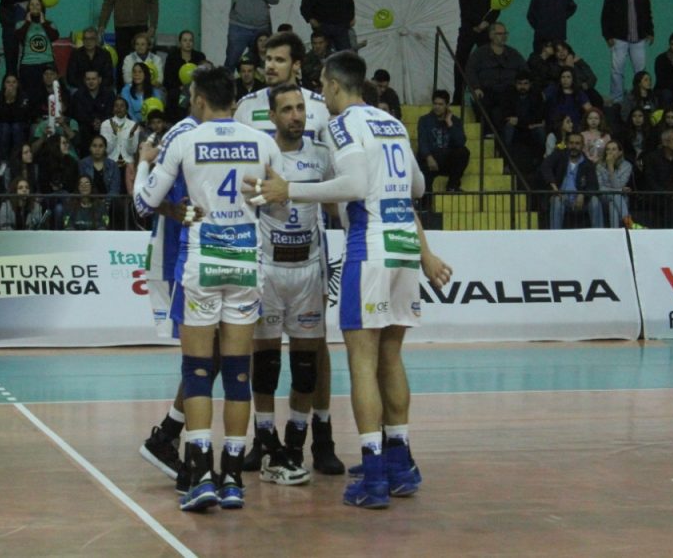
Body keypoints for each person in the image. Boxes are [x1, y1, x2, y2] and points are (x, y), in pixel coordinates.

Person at [244, 50, 453, 510]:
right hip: (402, 245)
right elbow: (416, 187)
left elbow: (355, 186)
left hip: (371, 247)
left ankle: (375, 474)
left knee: (363, 361)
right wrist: (426, 251)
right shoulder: (392, 122)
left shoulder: (342, 125)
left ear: (335, 87)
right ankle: (401, 464)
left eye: (323, 86)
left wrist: (290, 189)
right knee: (391, 359)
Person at [134, 65, 282, 512]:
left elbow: (145, 202)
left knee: (198, 371)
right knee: (238, 374)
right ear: (234, 100)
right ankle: (233, 477)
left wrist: (143, 160)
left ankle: (199, 474)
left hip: (202, 264)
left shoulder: (184, 139)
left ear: (199, 99)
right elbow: (280, 200)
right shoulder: (262, 140)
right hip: (245, 265)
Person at [247, 82, 339, 486]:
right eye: (286, 109)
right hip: (267, 270)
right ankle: (266, 444)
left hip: (308, 270)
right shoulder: (259, 155)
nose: (296, 116)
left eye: (300, 108)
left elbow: (339, 200)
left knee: (306, 368)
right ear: (272, 115)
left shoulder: (321, 155)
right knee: (265, 365)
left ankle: (296, 445)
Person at [135, 90, 208, 491]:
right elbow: (144, 204)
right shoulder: (181, 134)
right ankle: (175, 441)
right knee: (202, 355)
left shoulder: (221, 134)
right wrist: (143, 163)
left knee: (212, 355)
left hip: (210, 258)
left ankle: (170, 434)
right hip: (180, 257)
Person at [234, 31, 331, 143]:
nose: (270, 66)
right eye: (268, 59)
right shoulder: (245, 106)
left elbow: (331, 156)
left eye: (279, 60)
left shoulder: (320, 106)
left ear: (296, 65)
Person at [601, 0, 654, 109]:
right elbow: (606, 15)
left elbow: (647, 12)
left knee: (641, 72)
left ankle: (641, 99)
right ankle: (617, 101)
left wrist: (650, 31)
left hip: (639, 38)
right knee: (617, 72)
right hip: (619, 38)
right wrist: (608, 36)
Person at [455, 0, 500, 104]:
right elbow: (464, 4)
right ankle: (457, 97)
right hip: (468, 28)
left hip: (486, 30)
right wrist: (476, 23)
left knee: (486, 62)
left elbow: (497, 5)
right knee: (460, 61)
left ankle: (485, 96)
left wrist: (486, 23)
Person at [465, 22, 527, 131]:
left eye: (505, 33)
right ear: (491, 35)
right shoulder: (480, 53)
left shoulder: (513, 54)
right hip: (487, 91)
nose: (503, 36)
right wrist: (476, 87)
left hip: (508, 92)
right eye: (500, 33)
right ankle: (488, 135)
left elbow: (525, 72)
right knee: (484, 105)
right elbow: (470, 70)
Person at [541, 132, 603, 228]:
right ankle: (554, 237)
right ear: (567, 144)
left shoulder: (588, 164)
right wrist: (553, 186)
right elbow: (545, 166)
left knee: (595, 201)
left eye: (577, 143)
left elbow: (593, 185)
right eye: (571, 143)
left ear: (582, 145)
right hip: (562, 198)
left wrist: (583, 194)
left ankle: (600, 236)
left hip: (581, 202)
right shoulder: (559, 156)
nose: (574, 146)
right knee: (556, 200)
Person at [417, 90, 470, 193]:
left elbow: (460, 142)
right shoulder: (424, 120)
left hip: (446, 160)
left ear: (447, 105)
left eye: (440, 104)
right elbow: (422, 141)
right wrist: (429, 157)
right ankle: (425, 206)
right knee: (424, 174)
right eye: (435, 104)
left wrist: (450, 124)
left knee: (463, 152)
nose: (437, 107)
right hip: (429, 160)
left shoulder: (455, 121)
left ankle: (452, 186)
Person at [16, 0, 59, 108]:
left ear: (42, 7)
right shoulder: (21, 24)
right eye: (32, 4)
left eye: (37, 4)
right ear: (28, 8)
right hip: (28, 64)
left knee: (49, 94)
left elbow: (54, 37)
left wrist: (43, 23)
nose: (35, 7)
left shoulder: (50, 24)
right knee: (30, 95)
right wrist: (27, 22)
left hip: (47, 63)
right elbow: (18, 37)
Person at [162, 30, 206, 122]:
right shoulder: (172, 57)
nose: (188, 43)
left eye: (190, 40)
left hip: (196, 88)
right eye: (185, 40)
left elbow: (203, 75)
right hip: (177, 88)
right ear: (180, 42)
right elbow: (167, 77)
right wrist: (180, 87)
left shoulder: (200, 56)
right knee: (174, 95)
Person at [0, 73, 34, 165]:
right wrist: (7, 100)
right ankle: (3, 161)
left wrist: (12, 101)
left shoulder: (24, 96)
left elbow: (21, 117)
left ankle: (18, 159)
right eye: (8, 82)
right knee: (5, 128)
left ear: (18, 84)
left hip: (20, 124)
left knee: (16, 127)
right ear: (3, 84)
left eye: (14, 82)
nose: (11, 84)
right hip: (2, 124)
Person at [71, 69, 116, 155]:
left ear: (99, 80)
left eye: (93, 79)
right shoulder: (78, 95)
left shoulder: (109, 94)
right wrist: (93, 122)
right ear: (84, 80)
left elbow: (111, 113)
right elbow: (77, 114)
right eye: (88, 79)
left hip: (105, 127)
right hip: (85, 130)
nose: (91, 82)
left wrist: (101, 122)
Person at [500, 71, 546, 153]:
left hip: (530, 128)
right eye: (520, 83)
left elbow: (538, 117)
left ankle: (543, 159)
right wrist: (526, 123)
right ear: (515, 84)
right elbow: (506, 115)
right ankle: (506, 158)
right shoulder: (508, 94)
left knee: (540, 130)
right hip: (518, 128)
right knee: (509, 127)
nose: (522, 86)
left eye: (525, 83)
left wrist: (519, 121)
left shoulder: (536, 95)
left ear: (530, 84)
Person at [597, 139, 633, 227]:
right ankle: (629, 223)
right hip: (604, 198)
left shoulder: (627, 166)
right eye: (608, 149)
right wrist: (620, 190)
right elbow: (600, 188)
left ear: (620, 152)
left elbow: (617, 185)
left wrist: (610, 167)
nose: (610, 152)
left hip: (619, 199)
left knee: (613, 202)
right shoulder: (599, 166)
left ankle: (615, 231)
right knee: (616, 195)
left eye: (614, 149)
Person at [67, 27, 114, 92]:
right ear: (83, 40)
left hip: (100, 87)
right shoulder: (75, 54)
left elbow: (109, 77)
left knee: (111, 92)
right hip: (81, 87)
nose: (88, 41)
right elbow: (71, 77)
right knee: (74, 91)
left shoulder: (105, 54)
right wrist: (86, 85)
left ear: (96, 40)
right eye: (86, 39)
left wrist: (96, 86)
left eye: (91, 39)